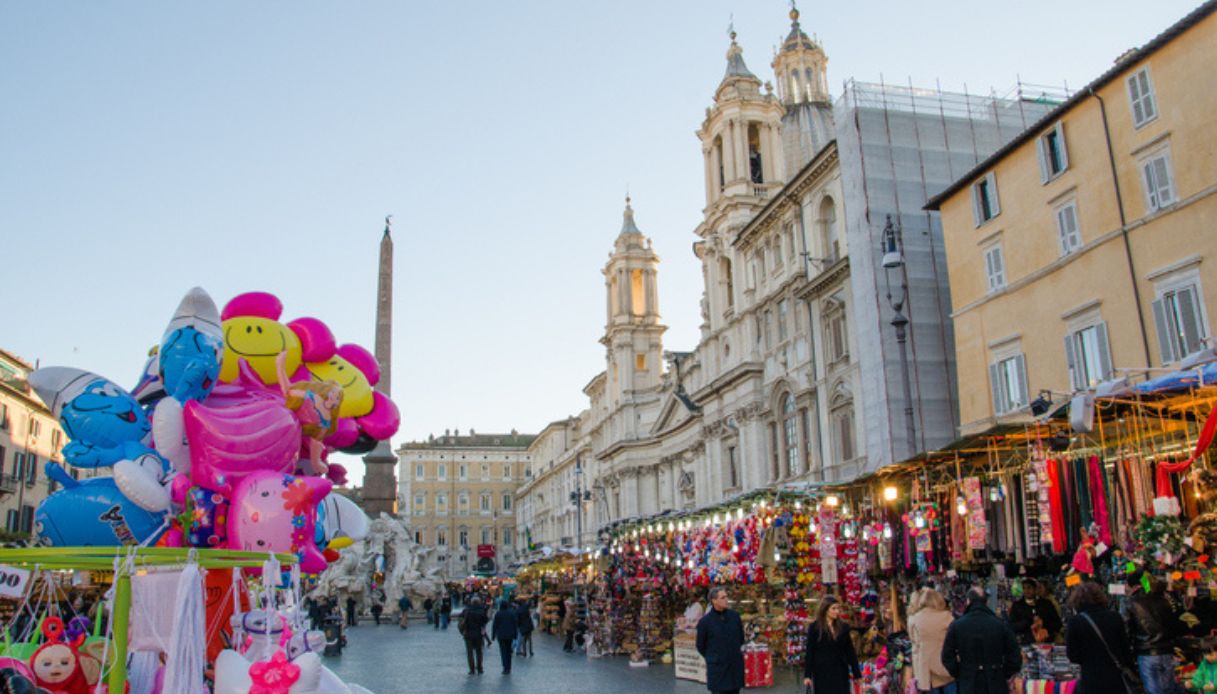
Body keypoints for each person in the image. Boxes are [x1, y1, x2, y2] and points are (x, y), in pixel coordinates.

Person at [941, 586, 1021, 694]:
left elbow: (947, 656)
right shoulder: (1000, 624)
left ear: (968, 601)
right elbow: (1015, 656)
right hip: (995, 681)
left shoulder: (957, 625)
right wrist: (1003, 673)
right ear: (986, 602)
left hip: (968, 681)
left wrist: (960, 672)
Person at [1065, 581, 1137, 694]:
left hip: (1090, 679)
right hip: (1115, 678)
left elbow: (1073, 656)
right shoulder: (1115, 617)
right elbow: (1125, 650)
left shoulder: (1075, 622)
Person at [1125, 571, 1185, 694]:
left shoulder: (1131, 603)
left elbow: (1127, 630)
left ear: (1133, 585)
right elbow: (1175, 624)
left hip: (1147, 653)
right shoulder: (1164, 599)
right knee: (1168, 689)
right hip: (1167, 651)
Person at [803, 596, 862, 694]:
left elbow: (850, 651)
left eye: (838, 608)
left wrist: (857, 674)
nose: (837, 611)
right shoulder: (814, 628)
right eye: (833, 608)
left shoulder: (843, 627)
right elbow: (810, 652)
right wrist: (807, 675)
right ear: (825, 610)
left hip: (840, 670)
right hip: (822, 671)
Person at [696, 586, 746, 694]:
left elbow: (741, 638)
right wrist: (713, 656)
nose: (726, 600)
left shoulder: (734, 616)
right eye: (723, 597)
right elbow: (700, 645)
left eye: (726, 597)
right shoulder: (705, 622)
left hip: (734, 667)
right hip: (718, 669)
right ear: (714, 600)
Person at [908, 589, 956, 694]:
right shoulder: (948, 617)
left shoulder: (915, 619)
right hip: (946, 665)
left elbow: (915, 647)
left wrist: (916, 673)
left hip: (926, 668)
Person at [1009, 579, 1063, 645]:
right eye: (1024, 588)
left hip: (1046, 643)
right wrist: (1028, 622)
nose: (1026, 591)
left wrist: (1044, 624)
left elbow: (1058, 624)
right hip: (1025, 643)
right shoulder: (1017, 606)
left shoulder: (1046, 604)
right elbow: (1012, 626)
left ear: (1035, 589)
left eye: (1029, 588)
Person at [460, 597, 490, 675]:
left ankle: (472, 669)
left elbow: (461, 618)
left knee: (470, 653)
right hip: (478, 634)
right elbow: (486, 620)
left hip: (468, 633)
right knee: (479, 652)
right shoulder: (481, 611)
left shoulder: (467, 610)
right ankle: (479, 668)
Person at [491, 599, 519, 675]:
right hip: (510, 635)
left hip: (501, 635)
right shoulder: (511, 613)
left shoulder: (498, 614)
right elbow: (515, 625)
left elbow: (495, 625)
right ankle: (509, 667)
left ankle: (505, 667)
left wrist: (493, 635)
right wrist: (515, 635)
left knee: (503, 651)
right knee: (508, 651)